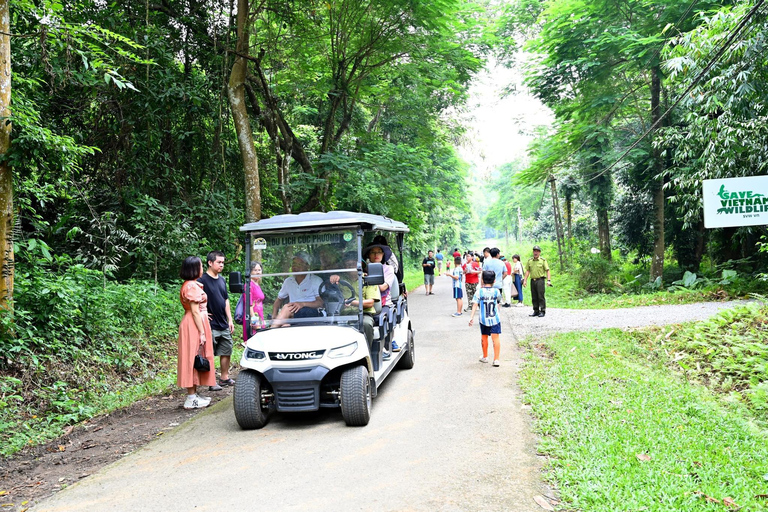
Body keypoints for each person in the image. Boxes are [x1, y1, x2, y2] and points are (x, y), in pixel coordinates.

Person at [177, 256, 215, 409]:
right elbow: (194, 311)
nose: (202, 268)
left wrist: (204, 315)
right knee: (192, 357)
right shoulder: (191, 286)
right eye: (200, 266)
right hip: (193, 324)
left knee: (195, 356)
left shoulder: (190, 284)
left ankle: (194, 393)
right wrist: (202, 332)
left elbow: (197, 310)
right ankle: (191, 397)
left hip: (195, 321)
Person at [198, 250, 235, 391]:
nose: (221, 265)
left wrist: (230, 319)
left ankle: (224, 377)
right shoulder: (201, 281)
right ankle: (211, 380)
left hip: (223, 322)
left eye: (223, 263)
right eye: (219, 262)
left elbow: (226, 300)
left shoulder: (222, 280)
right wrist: (203, 312)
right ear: (210, 263)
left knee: (226, 349)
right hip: (210, 323)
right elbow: (195, 299)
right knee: (210, 352)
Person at [329, 255, 381, 349]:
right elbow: (330, 297)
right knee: (328, 324)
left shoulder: (367, 279)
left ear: (360, 265)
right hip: (342, 314)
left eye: (353, 264)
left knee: (366, 324)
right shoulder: (340, 280)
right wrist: (332, 279)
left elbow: (370, 303)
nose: (350, 266)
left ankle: (366, 351)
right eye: (347, 264)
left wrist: (351, 302)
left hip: (363, 313)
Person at [272, 251, 324, 326]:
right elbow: (278, 300)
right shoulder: (288, 281)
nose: (295, 267)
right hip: (293, 313)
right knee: (284, 326)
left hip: (312, 313)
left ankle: (272, 328)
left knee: (287, 308)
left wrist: (302, 304)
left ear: (307, 266)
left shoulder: (315, 280)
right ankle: (274, 327)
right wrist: (274, 315)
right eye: (294, 264)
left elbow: (321, 303)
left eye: (299, 264)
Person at [365, 243, 398, 356]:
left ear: (383, 254)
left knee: (383, 317)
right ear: (369, 255)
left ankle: (385, 345)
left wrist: (367, 280)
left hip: (384, 303)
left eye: (379, 252)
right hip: (367, 302)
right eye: (373, 252)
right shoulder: (364, 269)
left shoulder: (388, 269)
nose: (376, 255)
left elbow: (384, 287)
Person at [468, 270, 502, 367]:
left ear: (482, 280)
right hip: (495, 318)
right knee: (496, 338)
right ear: (494, 281)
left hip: (483, 319)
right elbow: (499, 303)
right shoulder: (497, 291)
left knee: (484, 336)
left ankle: (485, 356)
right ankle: (496, 359)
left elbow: (475, 304)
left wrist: (471, 317)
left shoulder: (479, 292)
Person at [523, 245, 552, 317]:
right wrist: (525, 280)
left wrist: (548, 280)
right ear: (533, 252)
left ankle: (542, 310)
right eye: (534, 251)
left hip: (540, 280)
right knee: (534, 296)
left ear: (539, 252)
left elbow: (547, 271)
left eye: (537, 251)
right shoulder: (530, 261)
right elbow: (527, 271)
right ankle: (536, 310)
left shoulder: (543, 261)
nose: (535, 253)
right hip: (533, 280)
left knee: (540, 296)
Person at [243, 261, 266, 340]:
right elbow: (248, 304)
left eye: (259, 270)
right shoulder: (249, 285)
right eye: (255, 270)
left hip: (259, 315)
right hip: (253, 316)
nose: (258, 272)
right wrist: (254, 321)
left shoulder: (257, 284)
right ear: (250, 272)